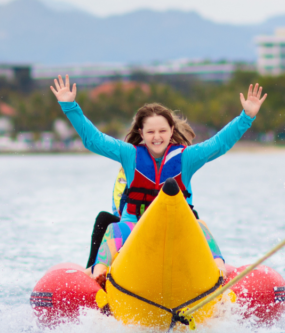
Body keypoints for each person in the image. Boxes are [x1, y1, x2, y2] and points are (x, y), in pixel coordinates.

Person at [50, 75, 267, 284]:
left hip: (178, 224)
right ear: (141, 133)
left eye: (162, 130)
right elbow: (93, 140)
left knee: (200, 225)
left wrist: (246, 117)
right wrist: (70, 107)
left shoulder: (187, 158)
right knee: (114, 229)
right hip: (135, 224)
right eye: (151, 131)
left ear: (171, 131)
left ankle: (218, 271)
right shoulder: (130, 154)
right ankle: (99, 275)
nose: (157, 136)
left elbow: (219, 143)